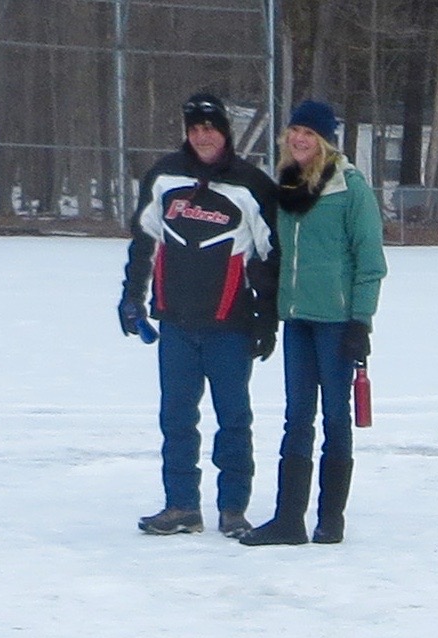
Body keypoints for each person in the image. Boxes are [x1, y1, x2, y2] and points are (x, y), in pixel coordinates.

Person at [118, 90, 280, 538]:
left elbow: (270, 259)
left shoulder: (252, 185)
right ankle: (182, 506)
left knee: (233, 419)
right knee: (176, 418)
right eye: (195, 129)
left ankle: (232, 508)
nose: (203, 136)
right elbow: (144, 241)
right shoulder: (165, 176)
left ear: (224, 131)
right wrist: (132, 297)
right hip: (176, 325)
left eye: (210, 128)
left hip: (229, 326)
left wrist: (267, 320)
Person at [240, 100, 386, 548]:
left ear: (325, 141)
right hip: (298, 319)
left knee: (336, 417)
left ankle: (330, 518)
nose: (298, 139)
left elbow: (370, 261)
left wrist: (360, 320)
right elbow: (279, 252)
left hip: (337, 321)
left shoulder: (350, 188)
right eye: (294, 130)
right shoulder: (286, 186)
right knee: (296, 417)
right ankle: (289, 519)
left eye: (309, 133)